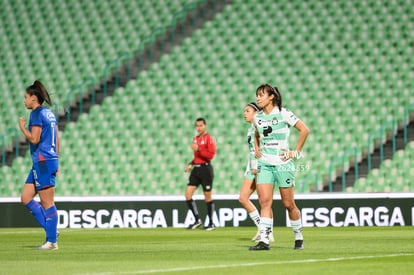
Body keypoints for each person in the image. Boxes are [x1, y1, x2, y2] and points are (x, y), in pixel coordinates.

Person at [249, 84, 309, 251]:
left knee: (288, 204)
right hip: (265, 164)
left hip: (283, 164)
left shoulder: (284, 113)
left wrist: (294, 152)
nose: (258, 98)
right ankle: (264, 241)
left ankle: (298, 237)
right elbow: (255, 133)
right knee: (265, 202)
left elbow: (304, 130)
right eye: (257, 95)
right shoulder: (257, 118)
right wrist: (258, 148)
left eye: (261, 95)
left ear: (271, 97)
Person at [19, 80, 60, 250]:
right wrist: (56, 160)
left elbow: (34, 139)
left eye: (26, 97)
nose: (24, 101)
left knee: (47, 202)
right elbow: (56, 138)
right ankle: (51, 231)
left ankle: (52, 242)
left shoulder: (36, 114)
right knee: (26, 197)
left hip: (43, 161)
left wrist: (22, 128)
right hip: (45, 160)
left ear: (34, 98)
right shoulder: (49, 114)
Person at [239, 102, 274, 242]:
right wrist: (250, 167)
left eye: (247, 111)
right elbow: (252, 151)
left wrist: (258, 165)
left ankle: (267, 232)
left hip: (261, 166)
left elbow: (265, 148)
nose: (244, 113)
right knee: (243, 198)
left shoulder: (261, 126)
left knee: (264, 201)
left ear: (256, 112)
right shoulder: (250, 129)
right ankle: (262, 228)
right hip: (252, 167)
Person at [184, 117, 217, 230]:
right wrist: (190, 163)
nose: (198, 128)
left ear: (205, 126)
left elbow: (210, 155)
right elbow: (197, 157)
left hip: (206, 170)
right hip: (196, 169)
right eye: (197, 126)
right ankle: (197, 220)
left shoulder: (209, 139)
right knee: (188, 194)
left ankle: (211, 222)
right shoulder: (196, 139)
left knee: (207, 197)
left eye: (200, 126)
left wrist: (198, 149)